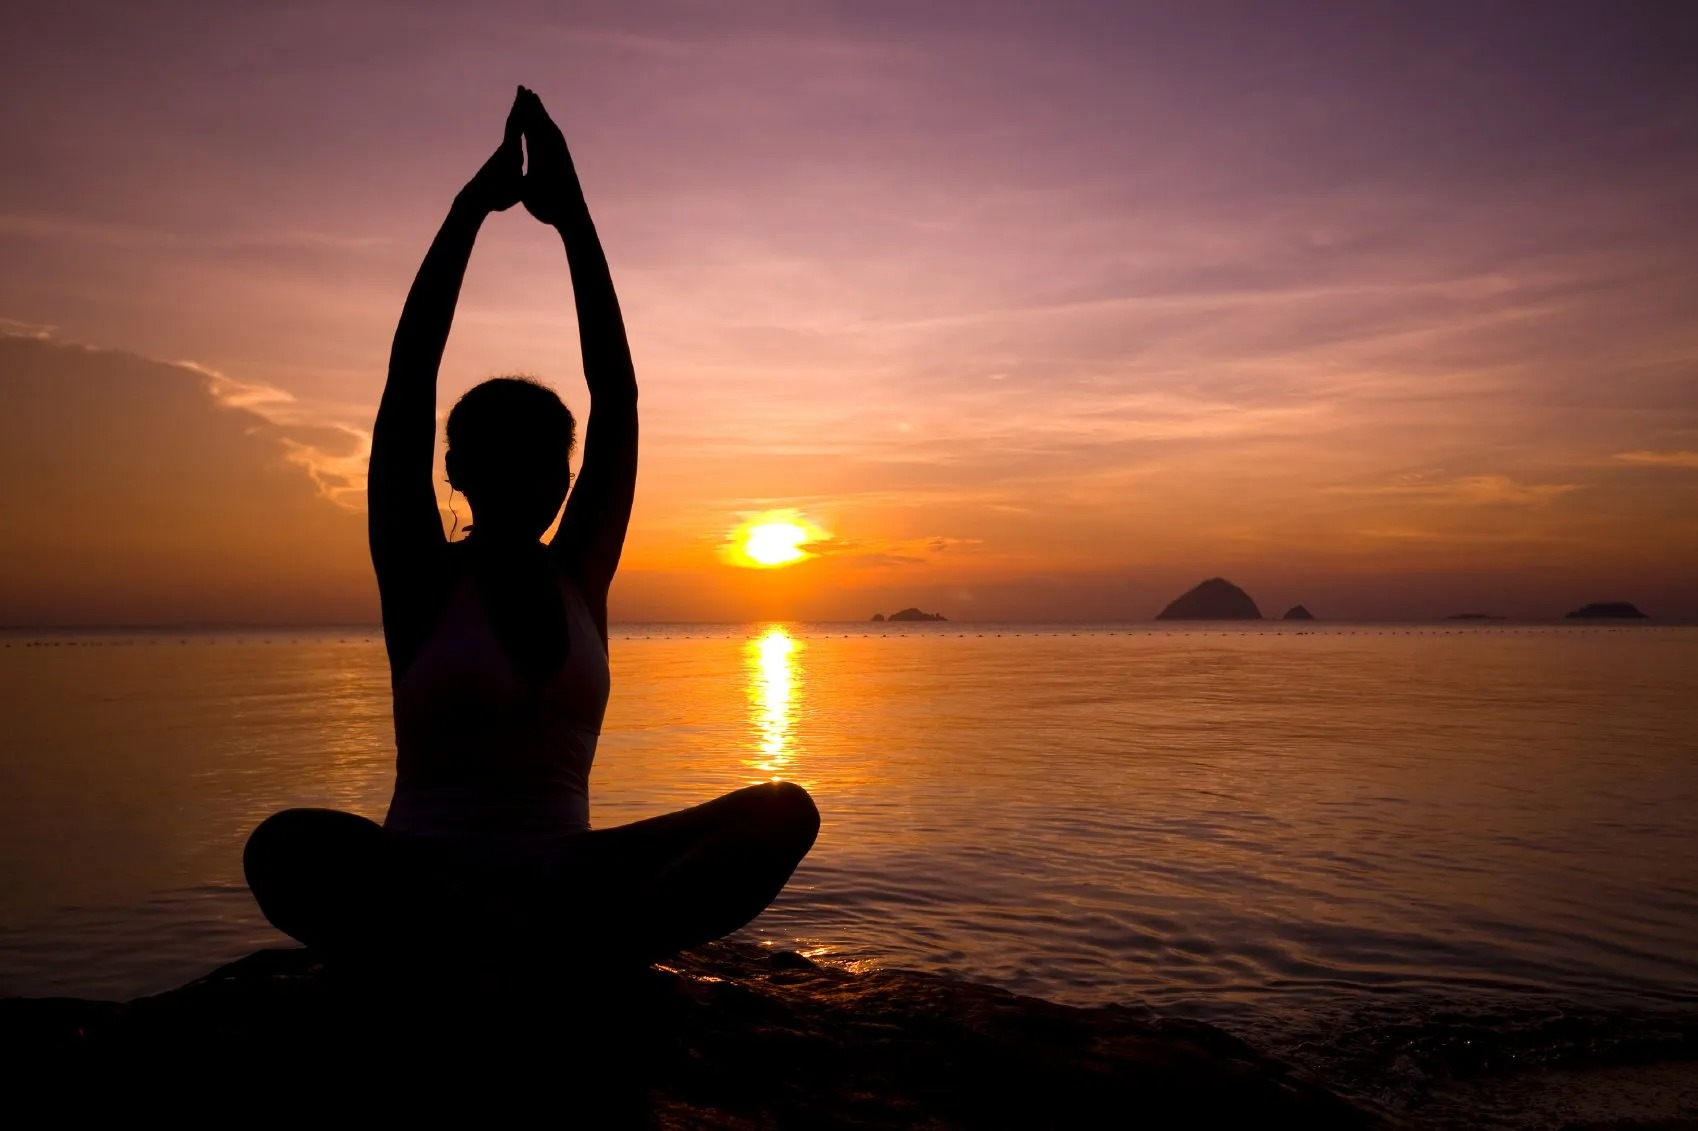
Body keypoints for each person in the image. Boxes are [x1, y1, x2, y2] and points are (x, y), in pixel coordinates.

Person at [243, 87, 819, 968]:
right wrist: (470, 210)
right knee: (283, 843)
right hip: (424, 878)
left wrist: (573, 218)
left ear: (564, 477)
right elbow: (408, 387)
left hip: (566, 878)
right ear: (458, 472)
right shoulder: (423, 576)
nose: (533, 478)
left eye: (548, 461)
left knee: (784, 811)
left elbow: (617, 398)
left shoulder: (578, 574)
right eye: (503, 457)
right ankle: (527, 949)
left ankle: (545, 947)